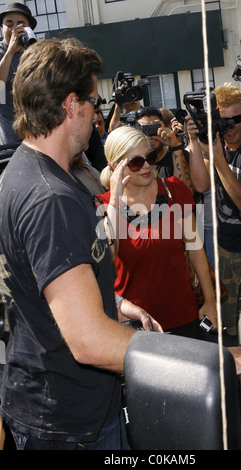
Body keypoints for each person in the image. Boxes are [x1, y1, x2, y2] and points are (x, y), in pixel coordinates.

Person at [0, 37, 162, 451]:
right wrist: (194, 361)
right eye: (93, 100)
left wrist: (118, 303)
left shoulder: (26, 173)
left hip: (57, 408)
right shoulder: (49, 196)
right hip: (69, 425)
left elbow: (51, 283)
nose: (97, 113)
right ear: (71, 105)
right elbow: (89, 340)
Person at [98, 125, 241, 373]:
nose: (147, 166)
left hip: (184, 317)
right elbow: (107, 257)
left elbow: (196, 249)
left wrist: (210, 300)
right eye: (136, 162)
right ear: (115, 166)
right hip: (137, 327)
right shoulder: (102, 206)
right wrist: (114, 200)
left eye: (149, 157)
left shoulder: (173, 191)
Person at [188, 83, 241, 339]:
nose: (229, 127)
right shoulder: (217, 143)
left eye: (236, 119)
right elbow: (200, 183)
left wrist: (218, 159)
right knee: (229, 325)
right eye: (223, 121)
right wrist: (195, 142)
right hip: (224, 248)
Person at [0, 2, 37, 146]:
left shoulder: (33, 53)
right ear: (2, 27)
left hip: (34, 133)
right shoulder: (2, 52)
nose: (15, 29)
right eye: (9, 24)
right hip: (9, 140)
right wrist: (11, 51)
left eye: (21, 24)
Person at [136, 106, 195, 192]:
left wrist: (175, 146)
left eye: (154, 127)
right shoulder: (134, 163)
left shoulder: (181, 155)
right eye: (144, 129)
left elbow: (185, 194)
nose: (150, 134)